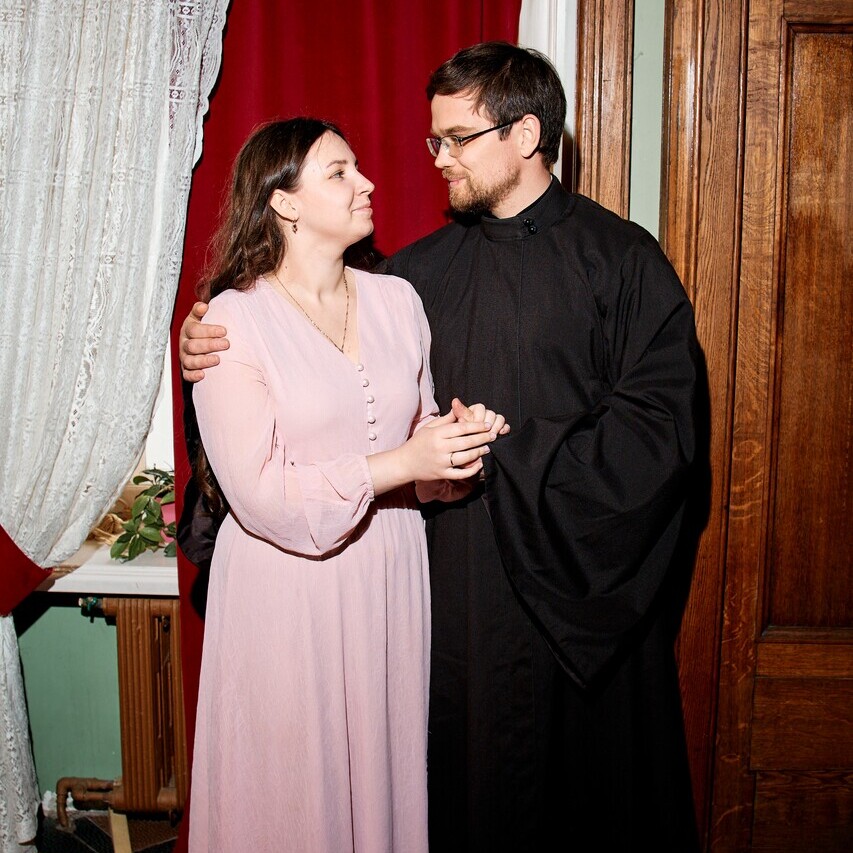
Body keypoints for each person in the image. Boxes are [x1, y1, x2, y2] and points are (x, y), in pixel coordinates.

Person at [181, 44, 700, 852]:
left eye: (457, 139)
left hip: (577, 612)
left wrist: (514, 454)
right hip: (450, 612)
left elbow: (660, 433)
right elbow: (307, 386)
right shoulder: (411, 278)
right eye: (434, 140)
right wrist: (201, 348)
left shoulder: (623, 262)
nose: (437, 159)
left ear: (524, 135)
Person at [184, 117, 508, 853]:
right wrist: (404, 462)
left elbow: (417, 451)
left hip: (387, 572)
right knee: (295, 794)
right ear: (284, 203)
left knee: (380, 782)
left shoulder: (397, 301)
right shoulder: (233, 320)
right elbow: (260, 497)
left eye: (357, 167)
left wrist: (453, 451)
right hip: (284, 590)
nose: (366, 183)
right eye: (338, 173)